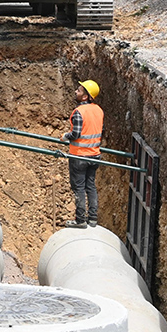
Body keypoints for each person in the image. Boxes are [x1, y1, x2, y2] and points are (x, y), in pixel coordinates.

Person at [60, 80, 103, 229]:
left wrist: (65, 136)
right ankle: (92, 218)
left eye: (78, 91)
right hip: (95, 155)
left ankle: (80, 220)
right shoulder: (99, 110)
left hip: (79, 156)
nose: (75, 92)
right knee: (90, 186)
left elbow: (76, 134)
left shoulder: (79, 112)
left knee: (78, 187)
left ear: (85, 97)